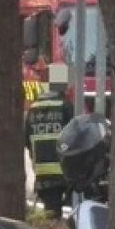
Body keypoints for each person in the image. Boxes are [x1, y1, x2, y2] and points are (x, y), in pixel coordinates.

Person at [25, 79, 75, 218]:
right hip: (67, 169)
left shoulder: (32, 109)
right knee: (75, 211)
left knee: (52, 212)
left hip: (43, 173)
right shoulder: (65, 106)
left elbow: (26, 140)